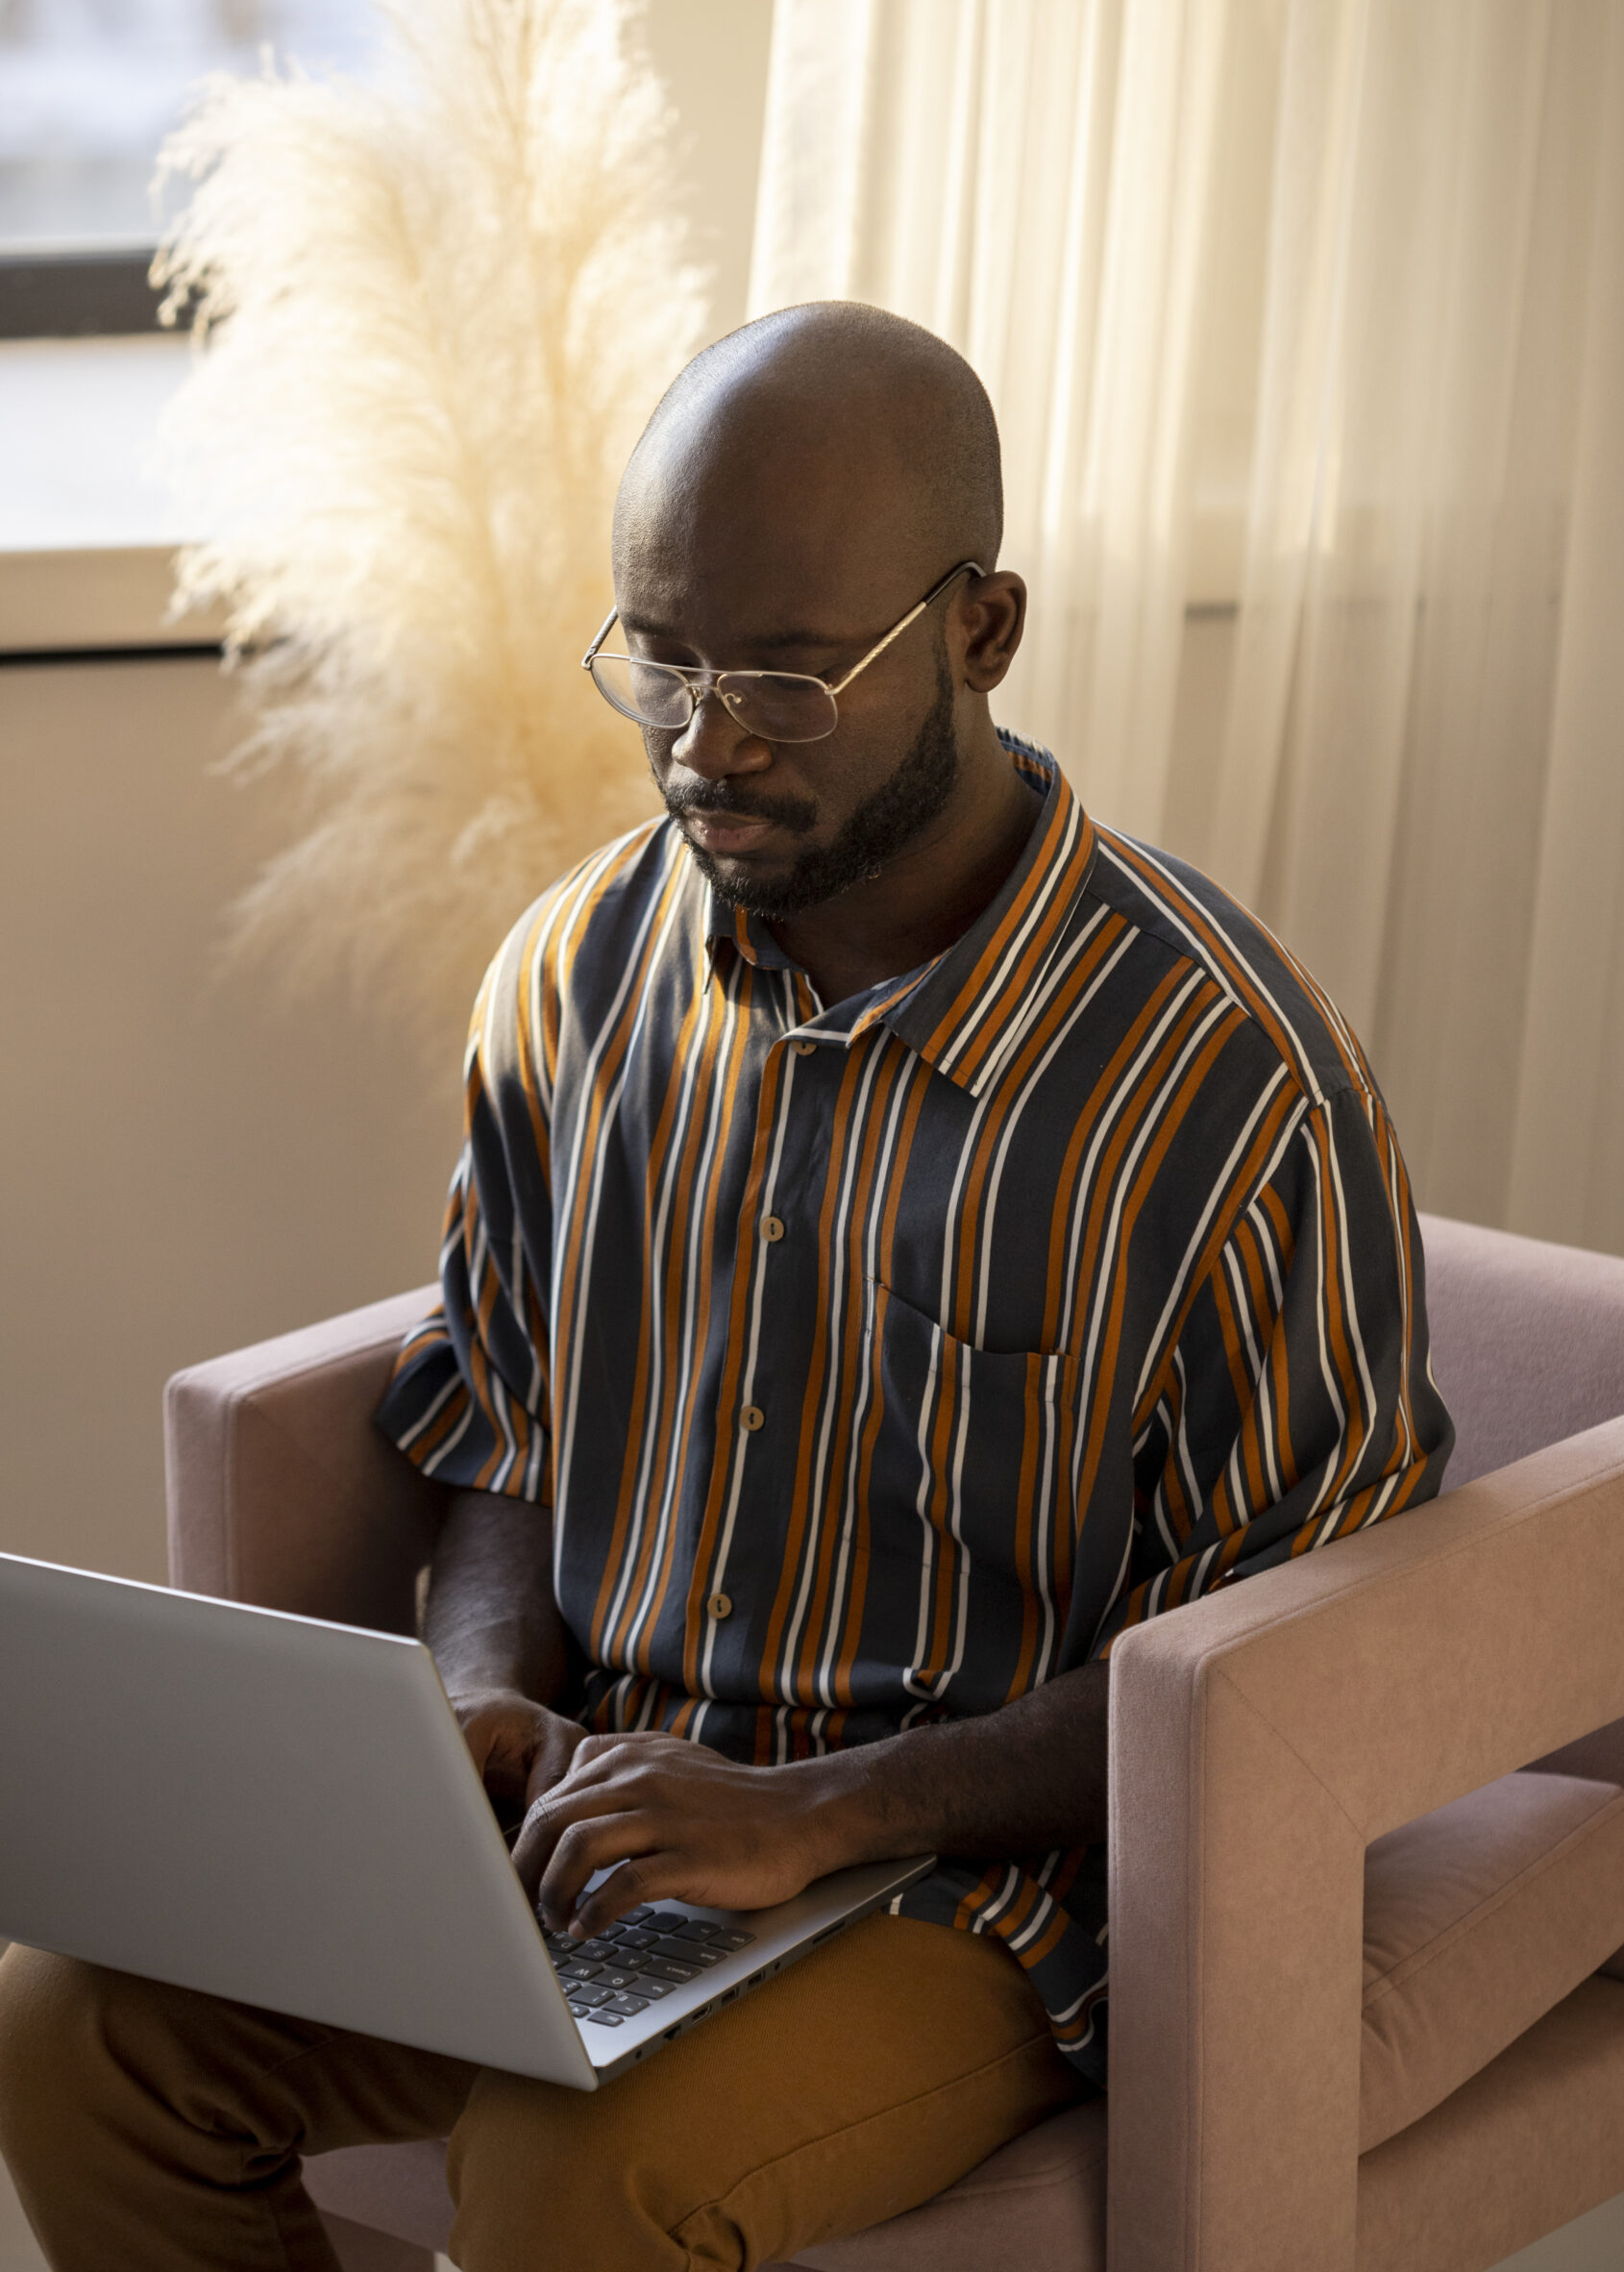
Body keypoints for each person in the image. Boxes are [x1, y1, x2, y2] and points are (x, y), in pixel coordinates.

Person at [0, 303, 1452, 2270]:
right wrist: (487, 1680)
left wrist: (813, 1812)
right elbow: (503, 1420)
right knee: (71, 2026)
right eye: (660, 654)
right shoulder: (572, 972)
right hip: (597, 1820)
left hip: (976, 1886)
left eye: (781, 668)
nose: (707, 735)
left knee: (573, 2171)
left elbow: (1282, 1683)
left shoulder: (1219, 1088)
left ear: (981, 627)